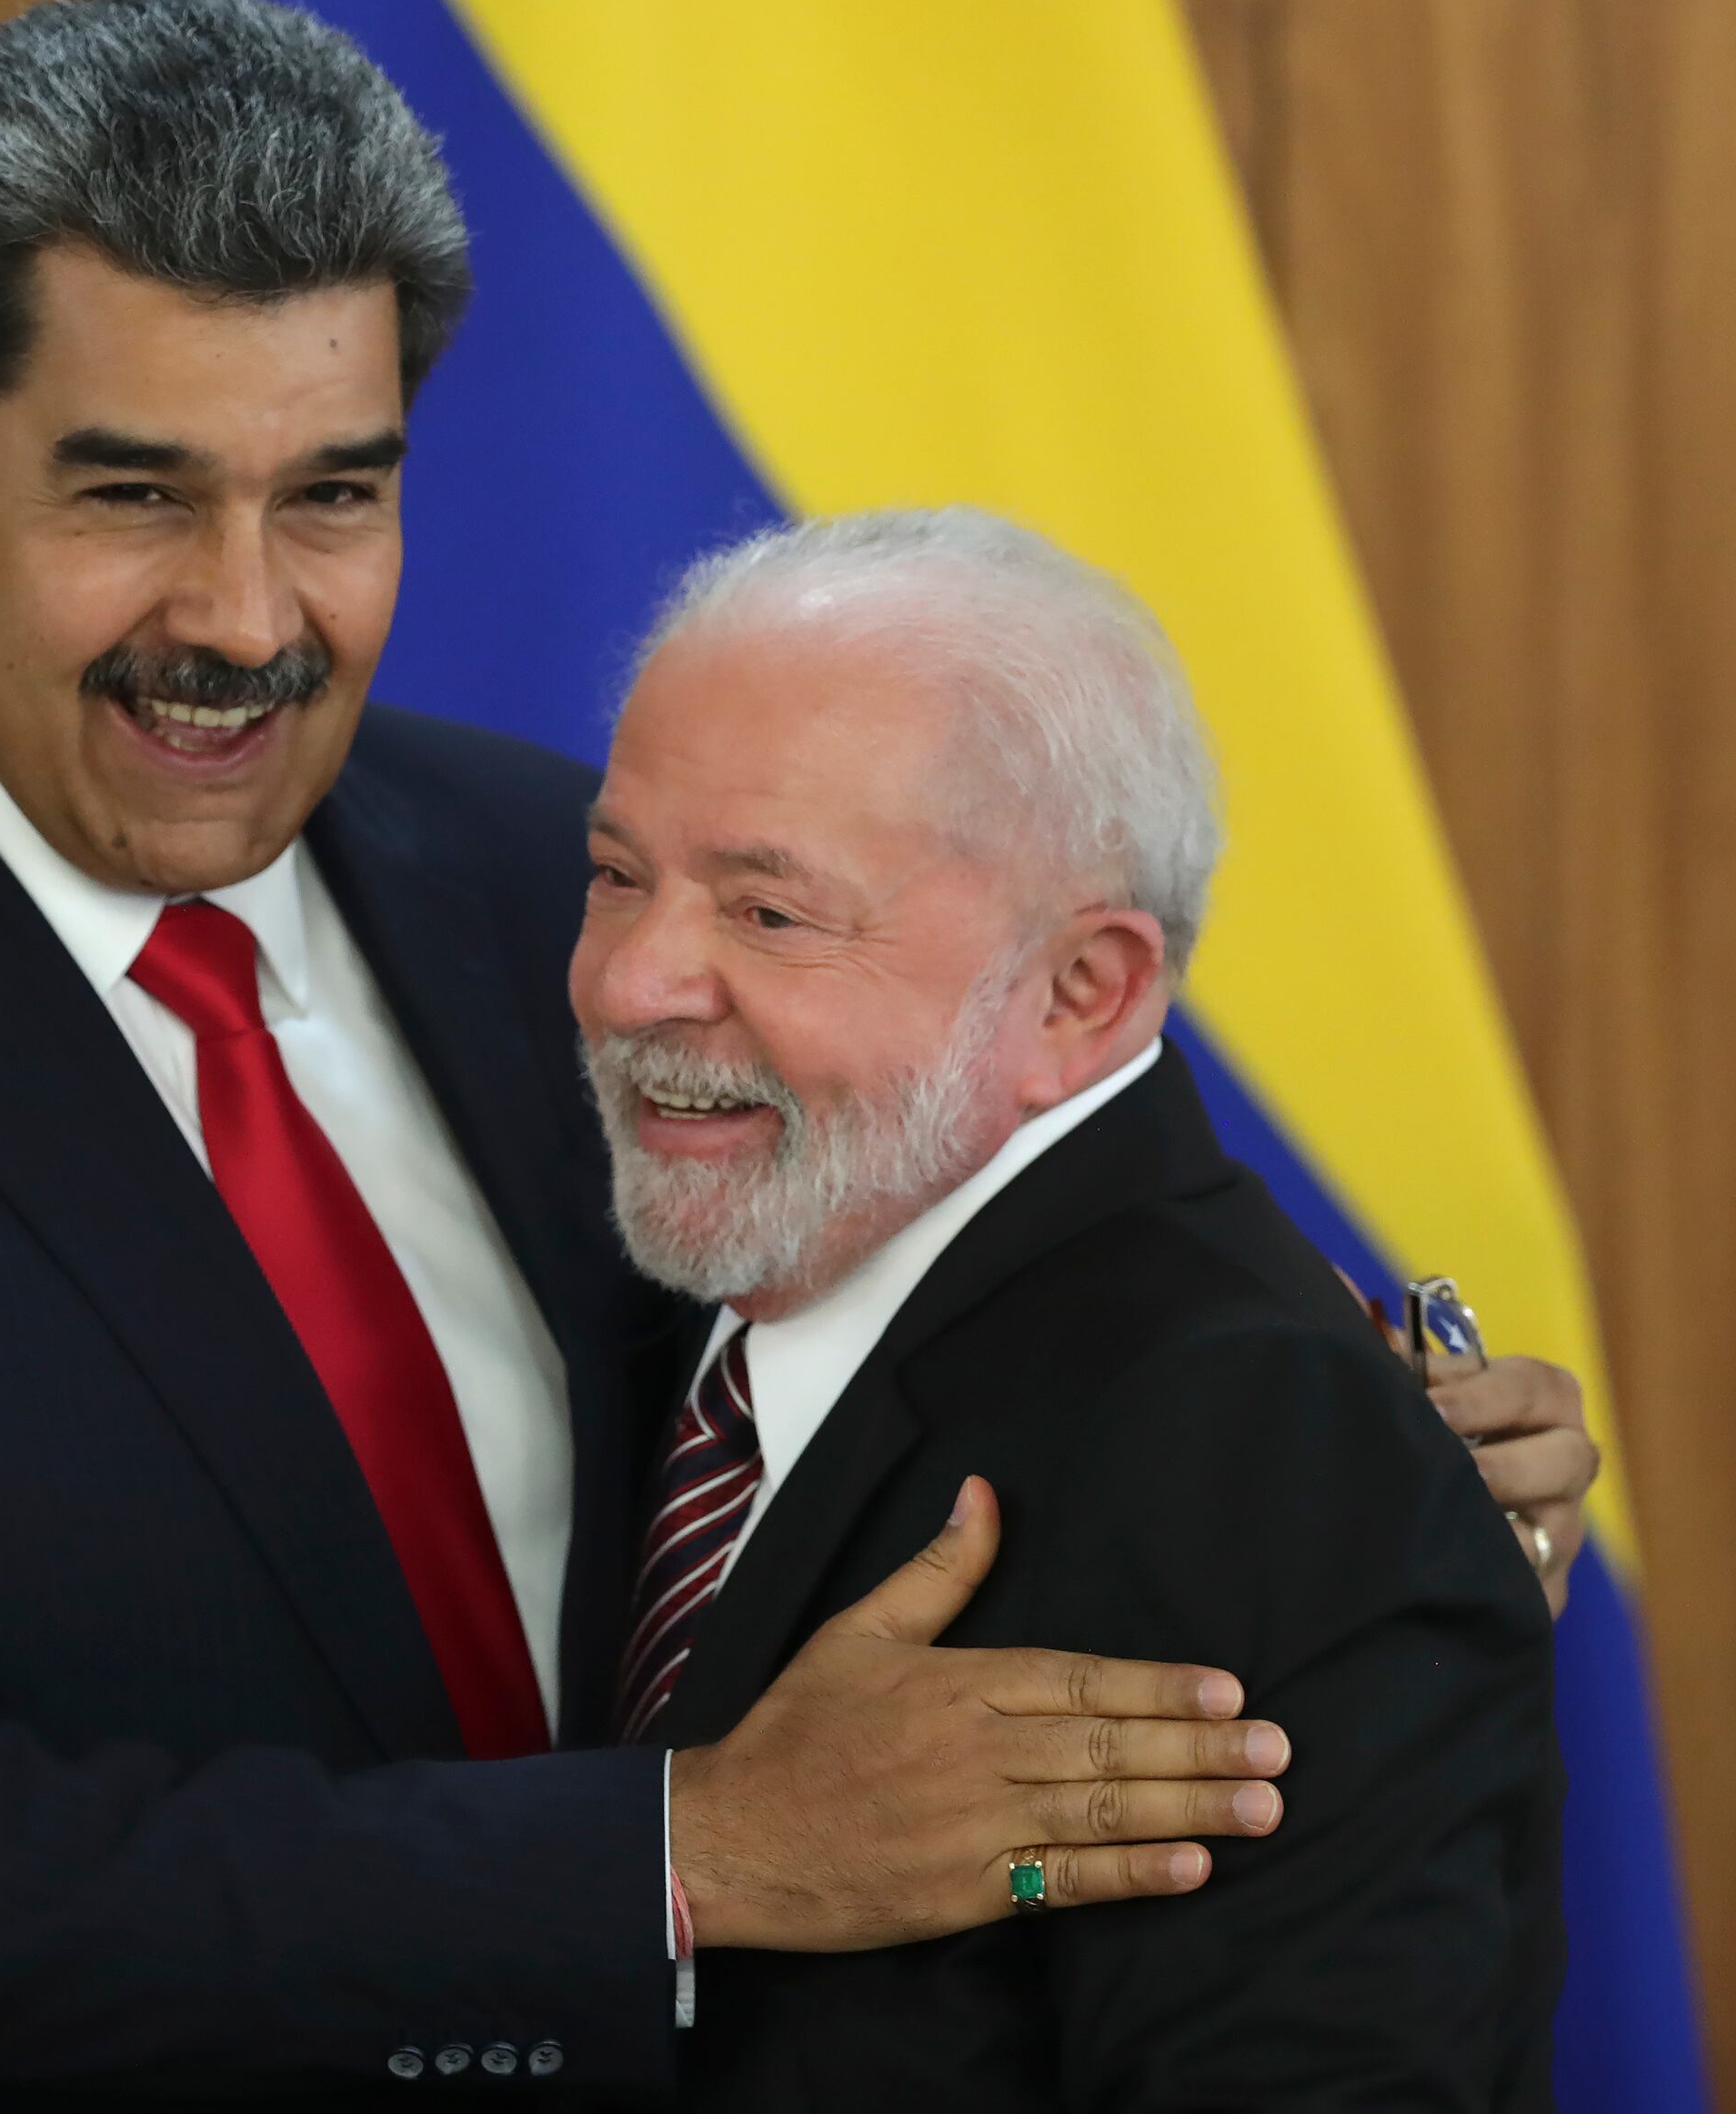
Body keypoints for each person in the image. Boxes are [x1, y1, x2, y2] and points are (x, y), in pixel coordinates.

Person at [0, 0, 1590, 2109]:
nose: (241, 619)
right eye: (134, 495)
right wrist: (683, 1857)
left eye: (330, 492)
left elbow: (957, 1248)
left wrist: (1312, 1469)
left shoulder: (550, 877)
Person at [577, 508, 1562, 2109]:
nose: (631, 981)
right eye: (616, 875)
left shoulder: (1261, 1452)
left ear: (1080, 992)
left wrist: (1010, 1882)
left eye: (769, 913)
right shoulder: (678, 1280)